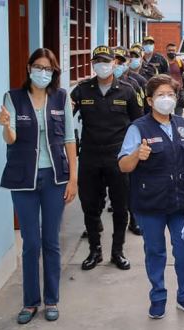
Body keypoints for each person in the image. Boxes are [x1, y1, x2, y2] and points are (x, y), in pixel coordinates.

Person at [0, 48, 77, 324]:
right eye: (39, 66)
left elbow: (69, 139)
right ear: (30, 67)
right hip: (24, 179)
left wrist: (73, 179)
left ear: (54, 72)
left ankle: (51, 299)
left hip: (55, 178)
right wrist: (6, 126)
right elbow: (11, 139)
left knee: (51, 241)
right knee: (31, 243)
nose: (43, 72)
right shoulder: (13, 98)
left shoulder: (61, 97)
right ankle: (30, 303)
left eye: (48, 68)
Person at [118, 74, 184, 319]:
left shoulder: (182, 124)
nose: (167, 99)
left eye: (171, 95)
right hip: (151, 203)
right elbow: (124, 166)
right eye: (161, 95)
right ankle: (158, 297)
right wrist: (138, 154)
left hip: (181, 200)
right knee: (155, 252)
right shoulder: (138, 128)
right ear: (149, 100)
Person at [71, 45, 143, 271]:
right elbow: (63, 120)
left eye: (107, 61)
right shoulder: (82, 91)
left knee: (121, 207)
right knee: (90, 206)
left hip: (117, 157)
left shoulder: (127, 90)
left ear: (114, 63)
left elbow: (138, 124)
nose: (102, 65)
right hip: (90, 156)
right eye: (98, 61)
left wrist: (136, 155)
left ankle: (117, 251)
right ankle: (95, 250)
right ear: (93, 65)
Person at [112, 46, 145, 235]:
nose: (117, 65)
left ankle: (134, 220)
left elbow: (139, 115)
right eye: (114, 61)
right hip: (103, 146)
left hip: (127, 143)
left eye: (120, 61)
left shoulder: (135, 83)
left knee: (129, 184)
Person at [166, 42, 184, 116]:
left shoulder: (179, 62)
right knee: (167, 115)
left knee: (178, 116)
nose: (171, 52)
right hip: (166, 93)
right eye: (169, 50)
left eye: (173, 50)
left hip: (178, 93)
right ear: (166, 51)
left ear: (176, 51)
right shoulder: (164, 63)